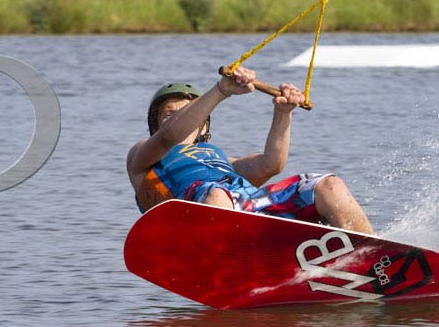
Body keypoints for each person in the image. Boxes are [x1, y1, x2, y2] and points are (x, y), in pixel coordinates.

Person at [126, 66, 374, 234]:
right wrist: (221, 91)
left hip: (249, 209)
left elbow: (271, 164)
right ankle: (232, 259)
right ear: (155, 123)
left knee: (328, 185)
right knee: (216, 196)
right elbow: (171, 134)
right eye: (170, 113)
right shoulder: (142, 156)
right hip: (197, 220)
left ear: (203, 125)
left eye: (189, 112)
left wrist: (282, 113)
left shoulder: (223, 161)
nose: (180, 117)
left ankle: (369, 254)